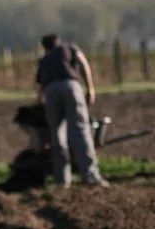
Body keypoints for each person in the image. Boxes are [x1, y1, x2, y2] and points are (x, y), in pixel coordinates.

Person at [35, 34, 109, 187]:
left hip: (50, 91)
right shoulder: (69, 48)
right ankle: (90, 175)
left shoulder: (44, 59)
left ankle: (62, 180)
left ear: (45, 47)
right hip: (71, 87)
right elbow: (83, 65)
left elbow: (40, 84)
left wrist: (40, 102)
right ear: (58, 41)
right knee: (80, 131)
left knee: (57, 135)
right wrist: (90, 88)